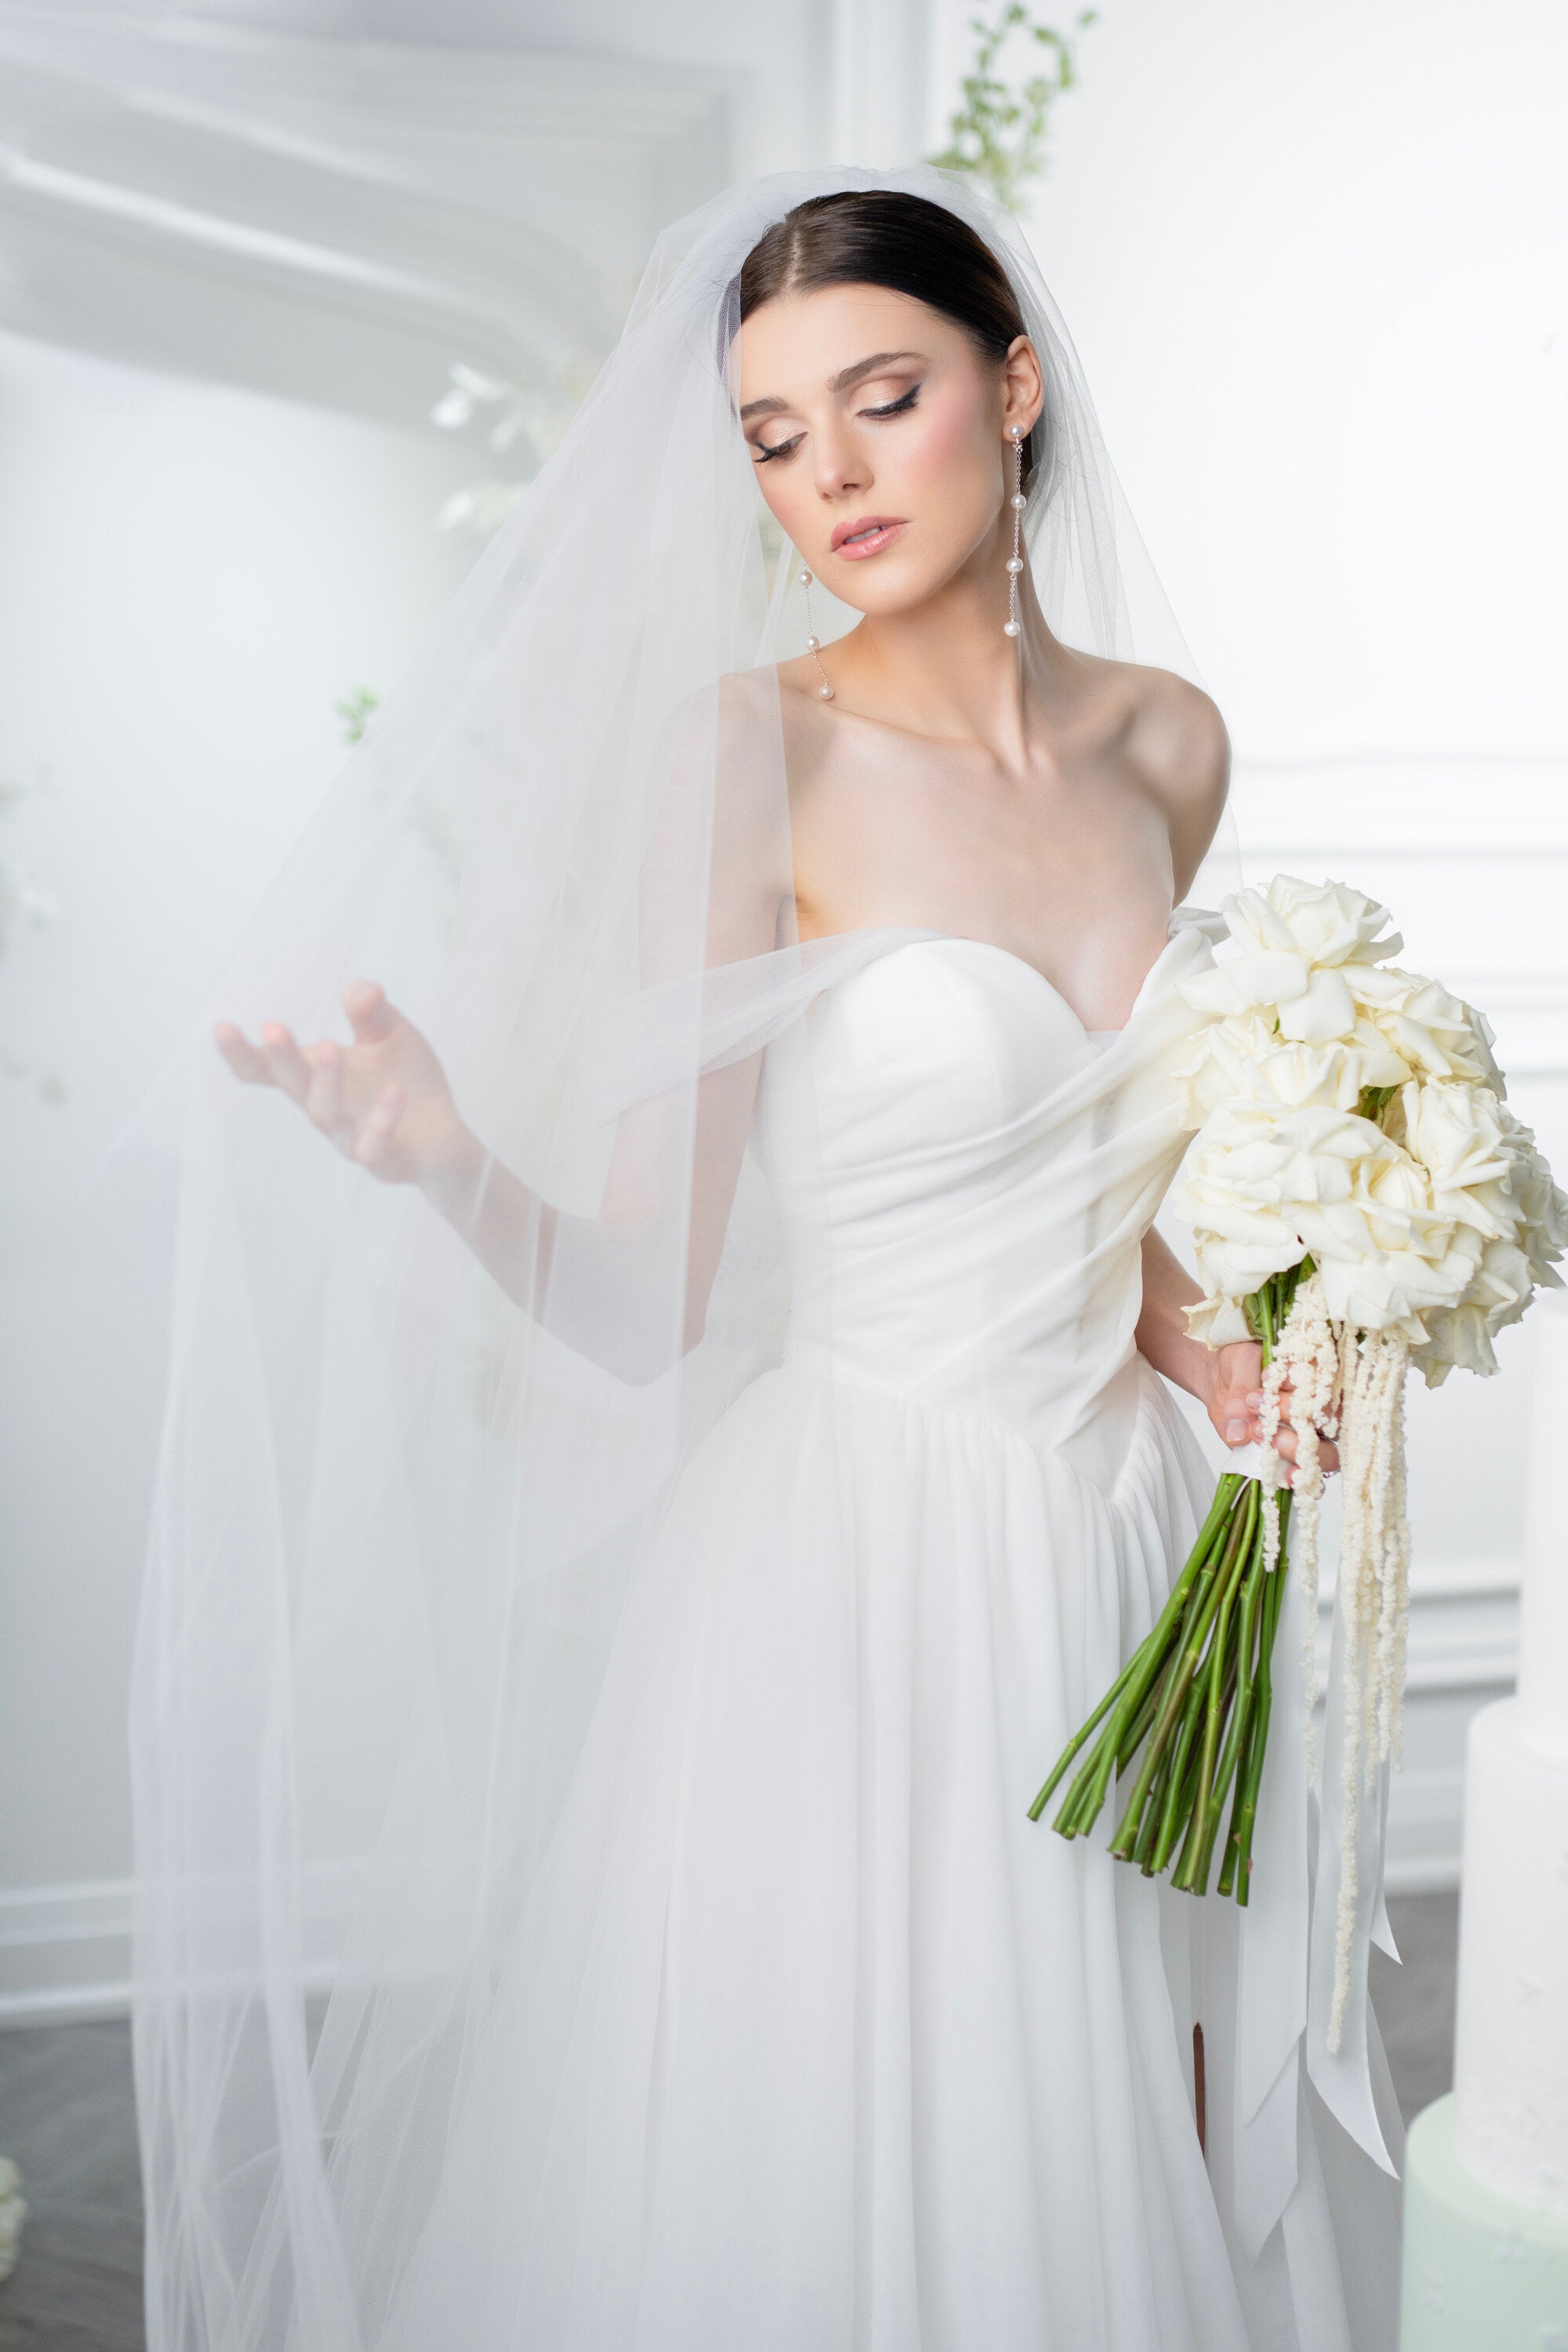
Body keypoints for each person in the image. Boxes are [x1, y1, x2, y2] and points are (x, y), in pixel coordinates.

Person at [135, 172, 1403, 2350]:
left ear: (1014, 386)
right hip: (862, 1590)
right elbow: (648, 1304)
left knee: (1126, 2142)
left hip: (1121, 1552)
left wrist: (1227, 1356)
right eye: (774, 436)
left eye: (882, 398)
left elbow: (1110, 1189)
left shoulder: (1168, 742)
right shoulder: (746, 756)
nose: (830, 477)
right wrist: (444, 1159)